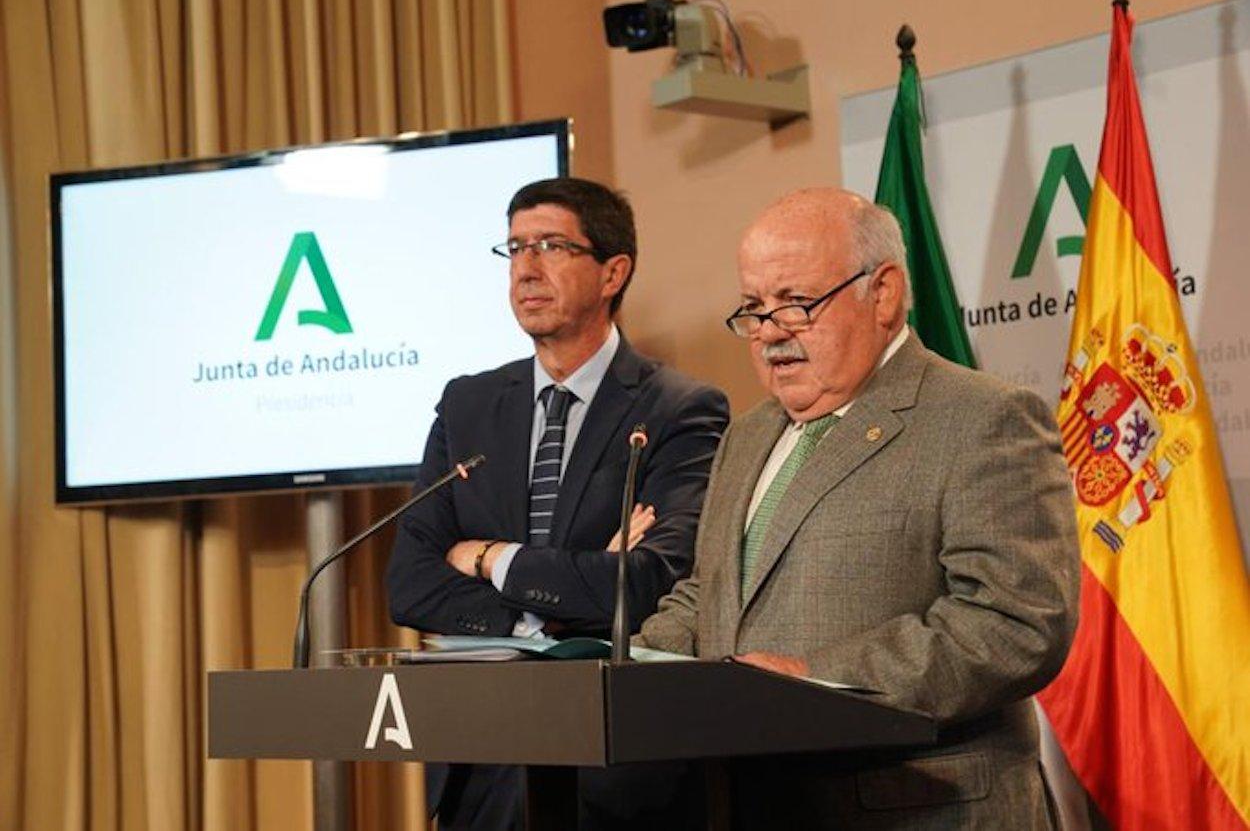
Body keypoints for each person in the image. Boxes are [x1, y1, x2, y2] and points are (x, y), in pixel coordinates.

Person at [635, 188, 1080, 829]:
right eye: (754, 309)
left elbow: (1016, 621)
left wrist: (816, 679)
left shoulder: (984, 418)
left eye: (796, 303)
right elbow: (714, 592)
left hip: (918, 809)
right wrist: (624, 665)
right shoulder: (749, 434)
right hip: (754, 803)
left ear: (884, 293)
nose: (768, 335)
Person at [386, 177, 729, 831]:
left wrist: (487, 556)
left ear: (612, 272)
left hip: (613, 769)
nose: (526, 269)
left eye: (550, 245)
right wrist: (558, 612)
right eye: (514, 248)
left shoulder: (680, 408)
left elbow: (648, 581)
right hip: (482, 766)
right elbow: (409, 583)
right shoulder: (467, 404)